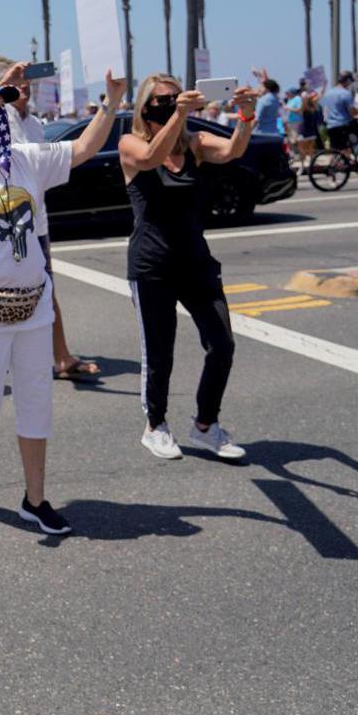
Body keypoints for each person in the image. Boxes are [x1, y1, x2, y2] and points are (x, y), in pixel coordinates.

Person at [0, 71, 125, 534]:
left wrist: (110, 104)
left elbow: (83, 149)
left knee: (37, 400)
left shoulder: (26, 159)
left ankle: (35, 500)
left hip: (35, 303)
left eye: (3, 107)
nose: (0, 115)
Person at [120, 73, 256, 462]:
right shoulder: (131, 144)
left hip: (196, 263)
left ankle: (205, 425)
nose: (172, 104)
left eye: (177, 98)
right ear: (145, 108)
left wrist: (246, 116)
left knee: (222, 345)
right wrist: (178, 116)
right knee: (159, 354)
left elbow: (232, 150)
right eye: (163, 100)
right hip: (152, 266)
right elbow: (149, 158)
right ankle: (155, 426)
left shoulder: (193, 144)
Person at [0, 63, 103, 383]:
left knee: (44, 289)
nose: (24, 87)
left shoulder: (35, 124)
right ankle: (20, 356)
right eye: (18, 82)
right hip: (8, 221)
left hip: (36, 221)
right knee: (7, 290)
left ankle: (59, 355)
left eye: (28, 82)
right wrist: (4, 84)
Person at [319, 71, 358, 161]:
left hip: (330, 126)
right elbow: (352, 112)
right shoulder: (346, 93)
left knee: (339, 149)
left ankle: (345, 162)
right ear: (348, 80)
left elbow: (324, 107)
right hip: (344, 125)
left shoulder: (328, 93)